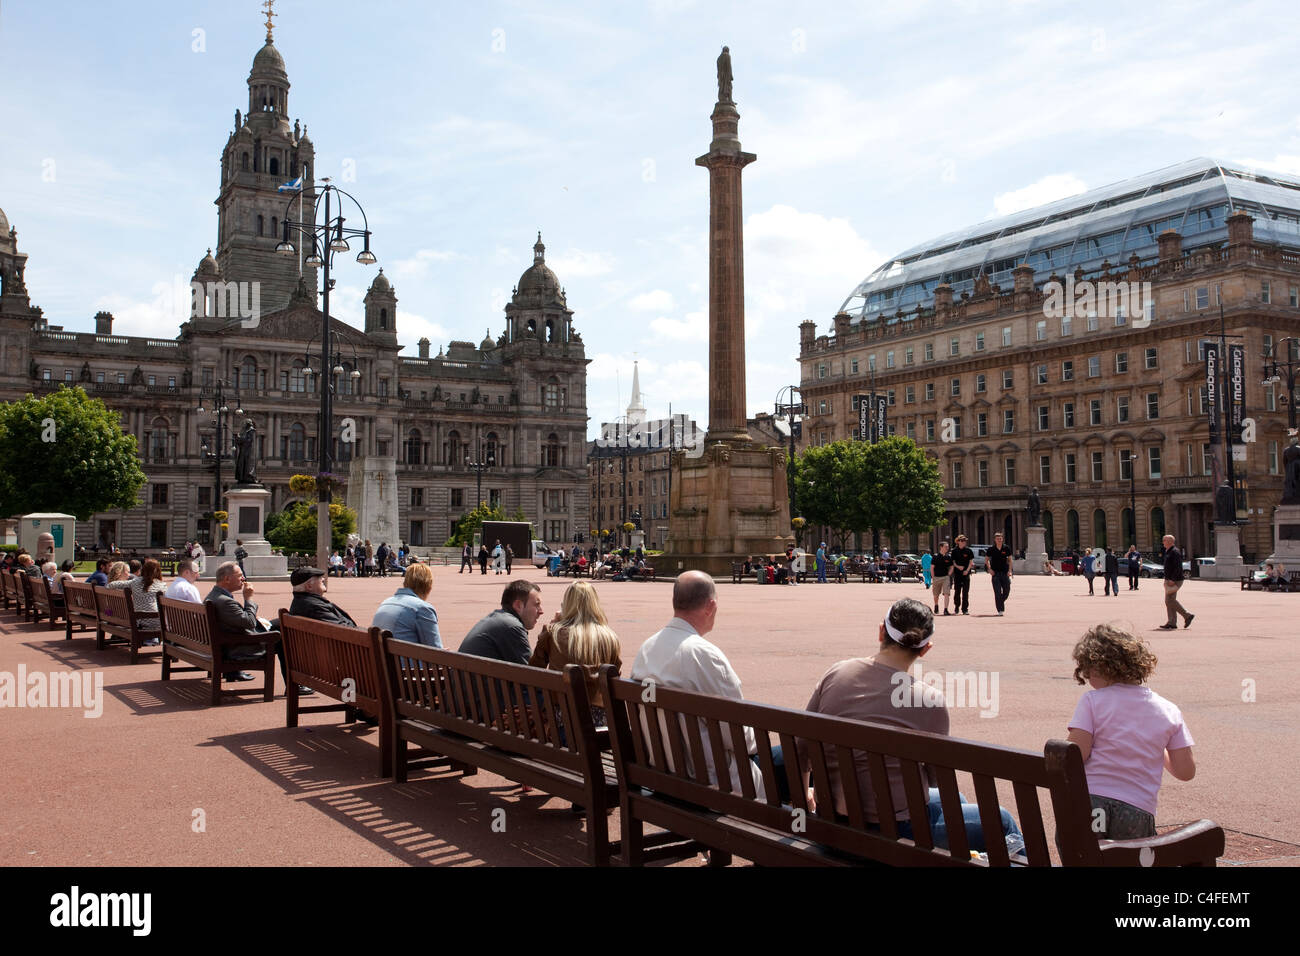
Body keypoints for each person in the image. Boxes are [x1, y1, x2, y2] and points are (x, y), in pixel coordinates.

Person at [796, 597, 1024, 855]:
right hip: (899, 831)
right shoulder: (929, 700)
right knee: (1001, 820)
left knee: (957, 800)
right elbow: (936, 777)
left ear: (881, 630)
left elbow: (802, 747)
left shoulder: (836, 673)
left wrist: (805, 795)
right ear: (925, 649)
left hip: (833, 817)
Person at [630, 571, 764, 798]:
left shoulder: (646, 649)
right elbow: (740, 738)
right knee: (791, 762)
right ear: (710, 606)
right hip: (713, 783)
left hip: (663, 774)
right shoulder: (705, 655)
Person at [1067, 624, 1195, 839]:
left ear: (1099, 667)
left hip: (1090, 802)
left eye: (1088, 671)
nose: (1088, 678)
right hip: (1137, 809)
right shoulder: (1169, 710)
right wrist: (1154, 746)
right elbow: (1185, 772)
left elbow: (1075, 754)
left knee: (1084, 855)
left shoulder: (1092, 701)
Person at [205, 561, 312, 695]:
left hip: (227, 642)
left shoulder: (214, 596)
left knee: (281, 622)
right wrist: (248, 599)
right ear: (227, 579)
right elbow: (249, 622)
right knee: (283, 635)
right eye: (240, 576)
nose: (243, 579)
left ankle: (294, 685)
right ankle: (293, 686)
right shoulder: (224, 601)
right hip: (236, 648)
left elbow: (241, 620)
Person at [530, 580, 622, 726]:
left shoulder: (553, 632)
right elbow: (614, 675)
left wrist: (554, 624)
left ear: (566, 604)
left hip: (561, 719)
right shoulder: (609, 637)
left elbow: (534, 670)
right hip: (600, 722)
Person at [459, 579, 543, 664]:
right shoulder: (512, 627)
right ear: (518, 605)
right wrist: (545, 642)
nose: (541, 611)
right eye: (537, 605)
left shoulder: (497, 619)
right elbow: (531, 674)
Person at [373, 563, 441, 647]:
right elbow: (435, 649)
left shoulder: (386, 602)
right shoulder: (422, 608)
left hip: (384, 658)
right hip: (403, 659)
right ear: (429, 586)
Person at [108, 558, 167, 644]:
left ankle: (151, 640)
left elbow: (111, 585)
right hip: (155, 621)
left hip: (138, 621)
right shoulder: (161, 585)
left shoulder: (134, 582)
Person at [287, 566, 357, 627]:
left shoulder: (300, 601)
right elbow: (343, 630)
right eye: (319, 578)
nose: (323, 579)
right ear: (309, 586)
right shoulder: (315, 607)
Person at [1159, 534, 1193, 630]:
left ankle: (1187, 616)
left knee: (1170, 600)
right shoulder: (1169, 551)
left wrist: (1172, 579)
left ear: (1170, 541)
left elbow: (1178, 567)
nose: (1163, 542)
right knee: (1169, 601)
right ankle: (1172, 622)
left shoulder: (1175, 552)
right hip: (1170, 579)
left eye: (1164, 540)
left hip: (1175, 580)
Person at [987, 531, 1013, 616]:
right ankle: (1000, 610)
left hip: (1005, 573)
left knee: (1007, 590)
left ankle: (1000, 601)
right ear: (995, 540)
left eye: (1001, 539)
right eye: (998, 539)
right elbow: (986, 560)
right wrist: (989, 569)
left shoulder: (1006, 548)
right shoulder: (991, 549)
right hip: (995, 574)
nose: (1000, 540)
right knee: (997, 592)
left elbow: (1010, 560)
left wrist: (1010, 571)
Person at [950, 534, 974, 615]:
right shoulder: (954, 551)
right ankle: (956, 606)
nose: (964, 542)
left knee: (965, 592)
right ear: (958, 541)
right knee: (957, 591)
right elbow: (952, 562)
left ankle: (965, 609)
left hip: (966, 574)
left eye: (965, 541)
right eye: (963, 541)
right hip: (957, 574)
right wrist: (958, 566)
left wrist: (967, 570)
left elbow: (971, 562)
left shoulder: (968, 551)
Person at [930, 541, 953, 615]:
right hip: (936, 577)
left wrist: (949, 574)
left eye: (948, 547)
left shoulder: (948, 557)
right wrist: (933, 577)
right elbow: (932, 567)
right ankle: (936, 605)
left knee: (947, 593)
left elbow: (951, 566)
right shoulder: (935, 556)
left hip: (945, 577)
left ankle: (946, 609)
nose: (947, 548)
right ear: (941, 547)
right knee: (936, 595)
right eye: (946, 547)